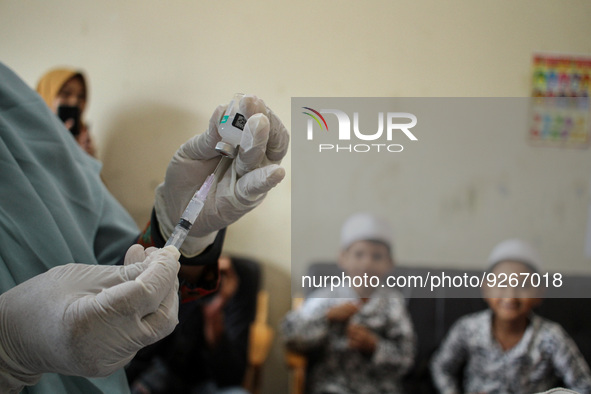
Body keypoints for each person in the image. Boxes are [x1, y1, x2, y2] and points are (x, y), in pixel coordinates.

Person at [0, 62, 289, 394]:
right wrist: (6, 351)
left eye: (80, 96)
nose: (74, 103)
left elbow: (125, 269)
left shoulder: (20, 110)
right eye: (65, 94)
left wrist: (183, 234)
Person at [430, 239, 591, 394]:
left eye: (522, 285)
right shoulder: (467, 328)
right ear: (485, 288)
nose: (510, 296)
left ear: (539, 293)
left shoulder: (551, 337)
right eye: (501, 283)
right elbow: (441, 367)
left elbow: (583, 384)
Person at [281, 213, 415, 394]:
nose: (367, 263)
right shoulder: (326, 298)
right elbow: (290, 335)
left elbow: (406, 357)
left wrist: (374, 346)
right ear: (342, 258)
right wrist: (326, 318)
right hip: (333, 386)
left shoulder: (393, 303)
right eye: (359, 254)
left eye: (376, 256)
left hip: (380, 388)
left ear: (390, 263)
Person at [126, 255, 258, 394]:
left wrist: (214, 312)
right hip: (158, 374)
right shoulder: (172, 271)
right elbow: (144, 353)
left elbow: (232, 377)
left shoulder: (236, 279)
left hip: (203, 383)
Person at [36, 67, 96, 156]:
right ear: (46, 94)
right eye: (66, 93)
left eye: (81, 96)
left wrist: (86, 159)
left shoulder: (82, 136)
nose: (74, 101)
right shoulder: (30, 135)